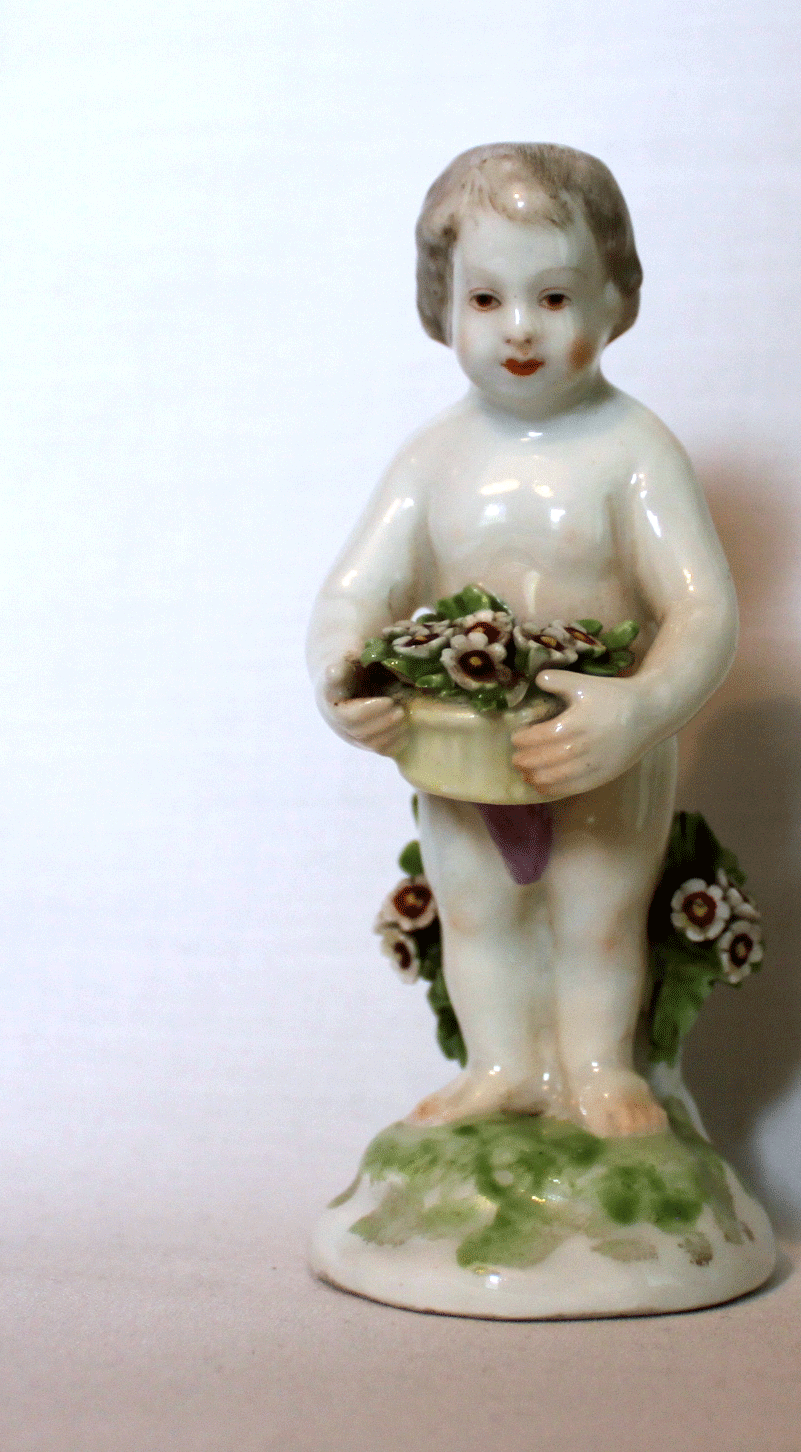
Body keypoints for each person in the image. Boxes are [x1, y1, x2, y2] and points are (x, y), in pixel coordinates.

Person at [307, 143, 737, 1137]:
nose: (518, 328)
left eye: (553, 296)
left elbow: (704, 612)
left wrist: (639, 707)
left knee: (597, 908)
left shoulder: (634, 452)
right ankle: (500, 1065)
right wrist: (343, 678)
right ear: (441, 307)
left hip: (598, 747)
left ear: (614, 299)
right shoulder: (432, 460)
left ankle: (599, 1068)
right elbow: (353, 593)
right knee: (475, 906)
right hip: (461, 752)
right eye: (486, 298)